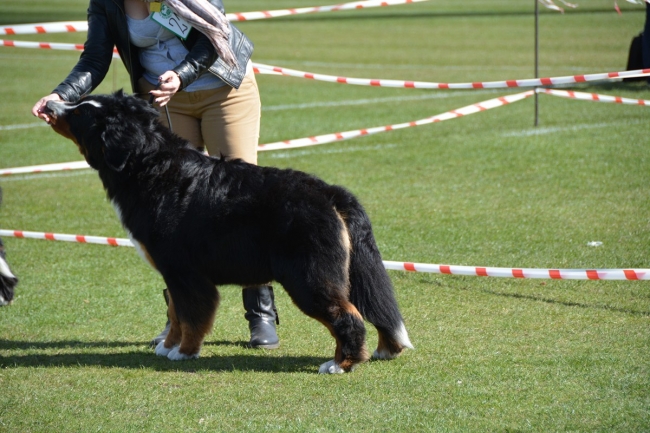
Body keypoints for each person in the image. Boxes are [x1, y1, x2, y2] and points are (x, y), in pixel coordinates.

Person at [31, 0, 279, 349]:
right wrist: (62, 95)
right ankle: (177, 318)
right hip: (162, 100)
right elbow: (95, 58)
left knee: (240, 200)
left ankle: (260, 314)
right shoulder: (106, 2)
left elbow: (214, 36)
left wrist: (181, 74)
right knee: (169, 218)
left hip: (223, 89)